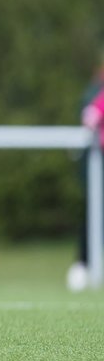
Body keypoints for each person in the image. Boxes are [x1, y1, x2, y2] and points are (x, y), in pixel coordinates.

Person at [69, 53, 104, 291]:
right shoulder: (97, 95)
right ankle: (83, 264)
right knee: (94, 213)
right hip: (99, 163)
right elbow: (91, 114)